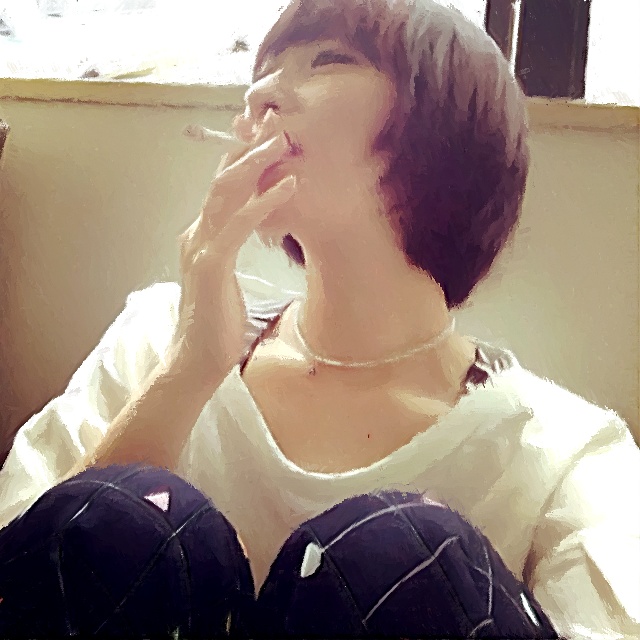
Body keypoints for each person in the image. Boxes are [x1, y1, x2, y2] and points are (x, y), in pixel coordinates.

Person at [0, 0, 638, 637]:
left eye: (327, 60)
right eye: (263, 72)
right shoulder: (162, 333)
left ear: (445, 131)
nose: (260, 94)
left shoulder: (559, 450)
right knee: (120, 517)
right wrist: (188, 371)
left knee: (405, 556)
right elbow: (22, 571)